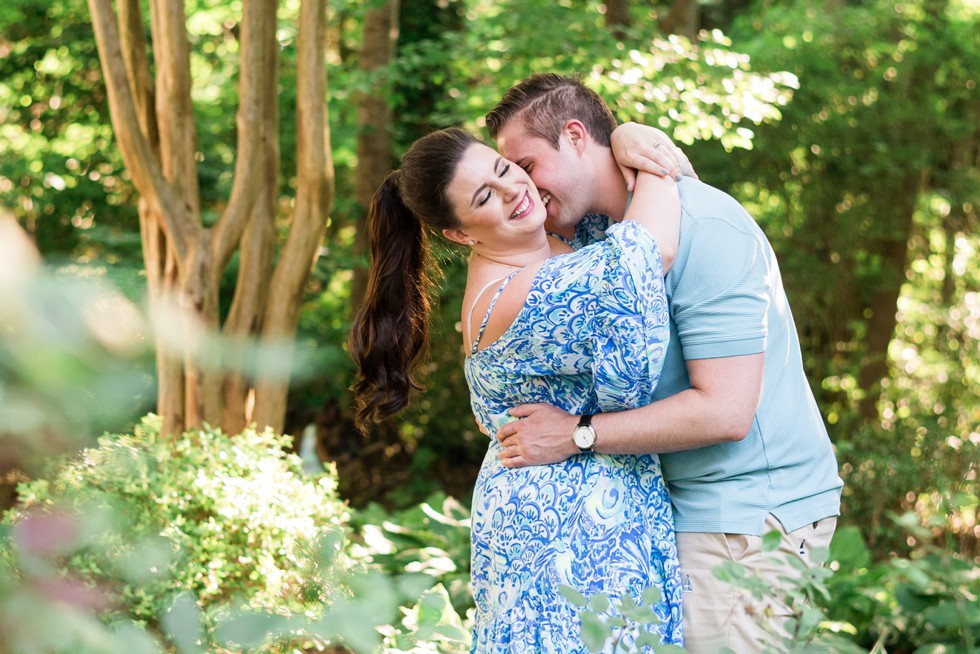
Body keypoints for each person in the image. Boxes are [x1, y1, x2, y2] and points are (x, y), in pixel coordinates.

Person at [487, 73, 844, 653]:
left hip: (750, 516)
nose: (520, 190)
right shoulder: (601, 232)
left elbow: (726, 411)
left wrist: (574, 436)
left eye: (526, 166)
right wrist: (630, 139)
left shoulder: (705, 228)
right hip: (686, 509)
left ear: (576, 137)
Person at [348, 126, 686, 650]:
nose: (513, 191)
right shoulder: (516, 295)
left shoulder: (553, 241)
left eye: (504, 170)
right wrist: (654, 155)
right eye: (485, 197)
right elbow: (647, 253)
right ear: (459, 235)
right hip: (559, 541)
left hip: (596, 518)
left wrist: (619, 136)